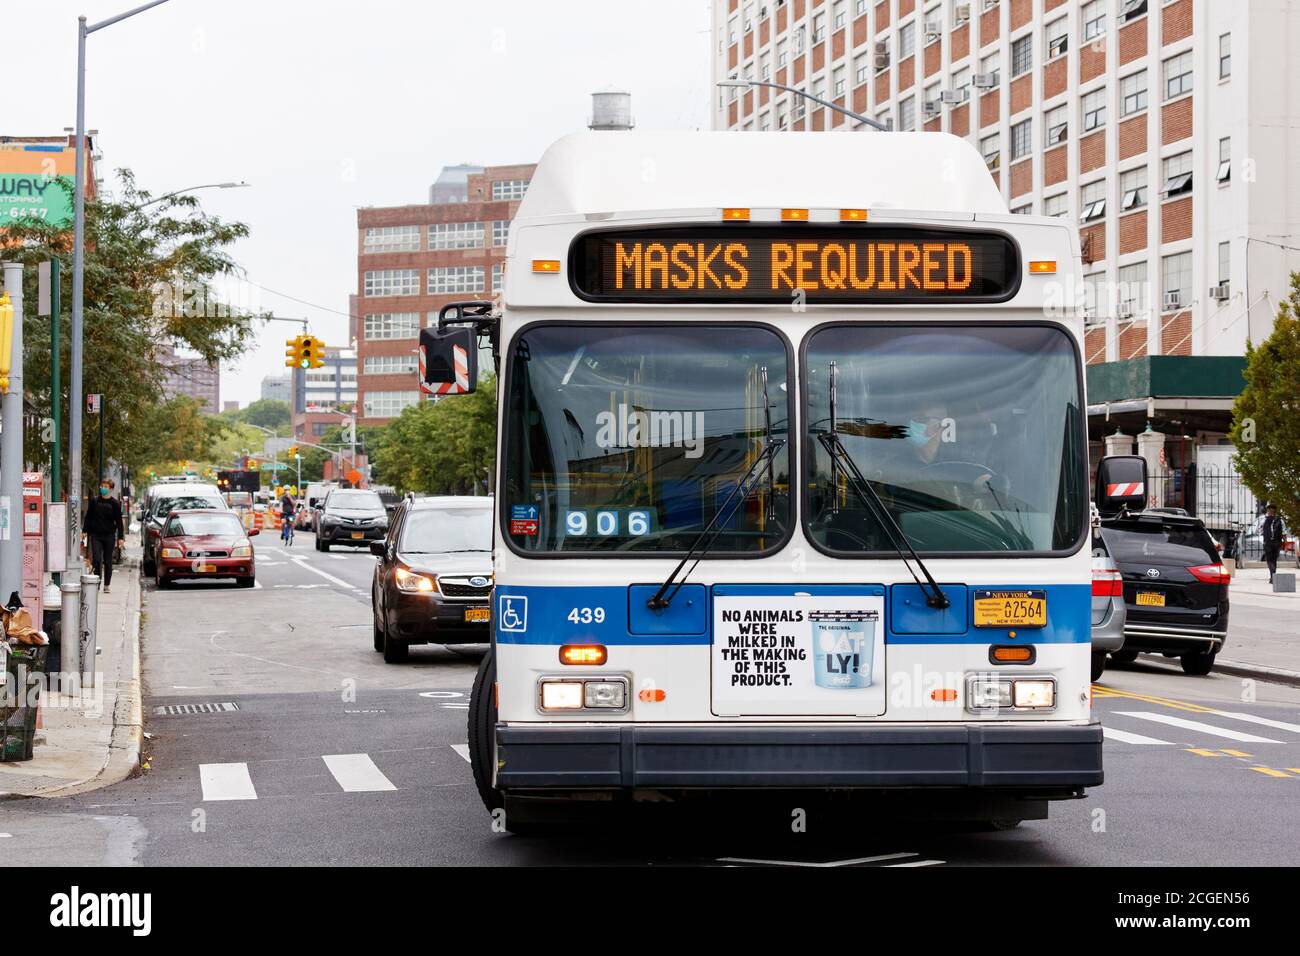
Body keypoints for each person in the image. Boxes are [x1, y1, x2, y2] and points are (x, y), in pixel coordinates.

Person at [83, 480, 125, 594]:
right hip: (96, 535)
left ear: (111, 489)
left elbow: (119, 522)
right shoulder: (94, 501)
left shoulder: (114, 503)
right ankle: (97, 582)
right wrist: (84, 530)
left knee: (108, 561)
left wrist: (121, 537)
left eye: (105, 486)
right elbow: (88, 517)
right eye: (102, 486)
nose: (103, 488)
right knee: (96, 559)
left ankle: (107, 585)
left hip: (109, 536)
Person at [1261, 503, 1284, 584]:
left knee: (1270, 560)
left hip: (1269, 543)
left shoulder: (1264, 520)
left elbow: (1260, 530)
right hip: (1276, 543)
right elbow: (1284, 532)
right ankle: (1273, 576)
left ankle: (1273, 576)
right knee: (1273, 560)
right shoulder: (1280, 520)